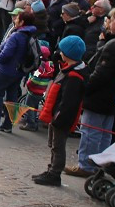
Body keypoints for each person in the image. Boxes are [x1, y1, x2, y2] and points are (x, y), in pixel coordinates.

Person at [68, 6, 115, 177]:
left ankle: (87, 165)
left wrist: (86, 87)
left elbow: (101, 73)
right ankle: (100, 163)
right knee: (104, 132)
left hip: (101, 95)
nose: (108, 23)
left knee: (91, 132)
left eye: (111, 20)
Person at [32, 35, 87, 186]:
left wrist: (58, 117)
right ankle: (51, 170)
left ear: (67, 54)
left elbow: (68, 103)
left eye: (62, 51)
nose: (59, 53)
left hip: (61, 118)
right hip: (56, 115)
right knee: (53, 144)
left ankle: (55, 174)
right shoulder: (67, 69)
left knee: (58, 146)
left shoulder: (74, 77)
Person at [0, 8, 39, 133]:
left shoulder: (16, 36)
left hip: (7, 70)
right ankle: (8, 124)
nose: (15, 19)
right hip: (19, 70)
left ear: (22, 22)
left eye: (17, 18)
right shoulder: (30, 34)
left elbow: (6, 54)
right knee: (12, 98)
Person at [18, 44, 56, 132]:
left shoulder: (40, 67)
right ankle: (34, 120)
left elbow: (34, 79)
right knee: (34, 107)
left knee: (29, 107)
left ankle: (31, 124)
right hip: (41, 91)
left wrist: (28, 83)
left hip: (33, 91)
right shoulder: (49, 65)